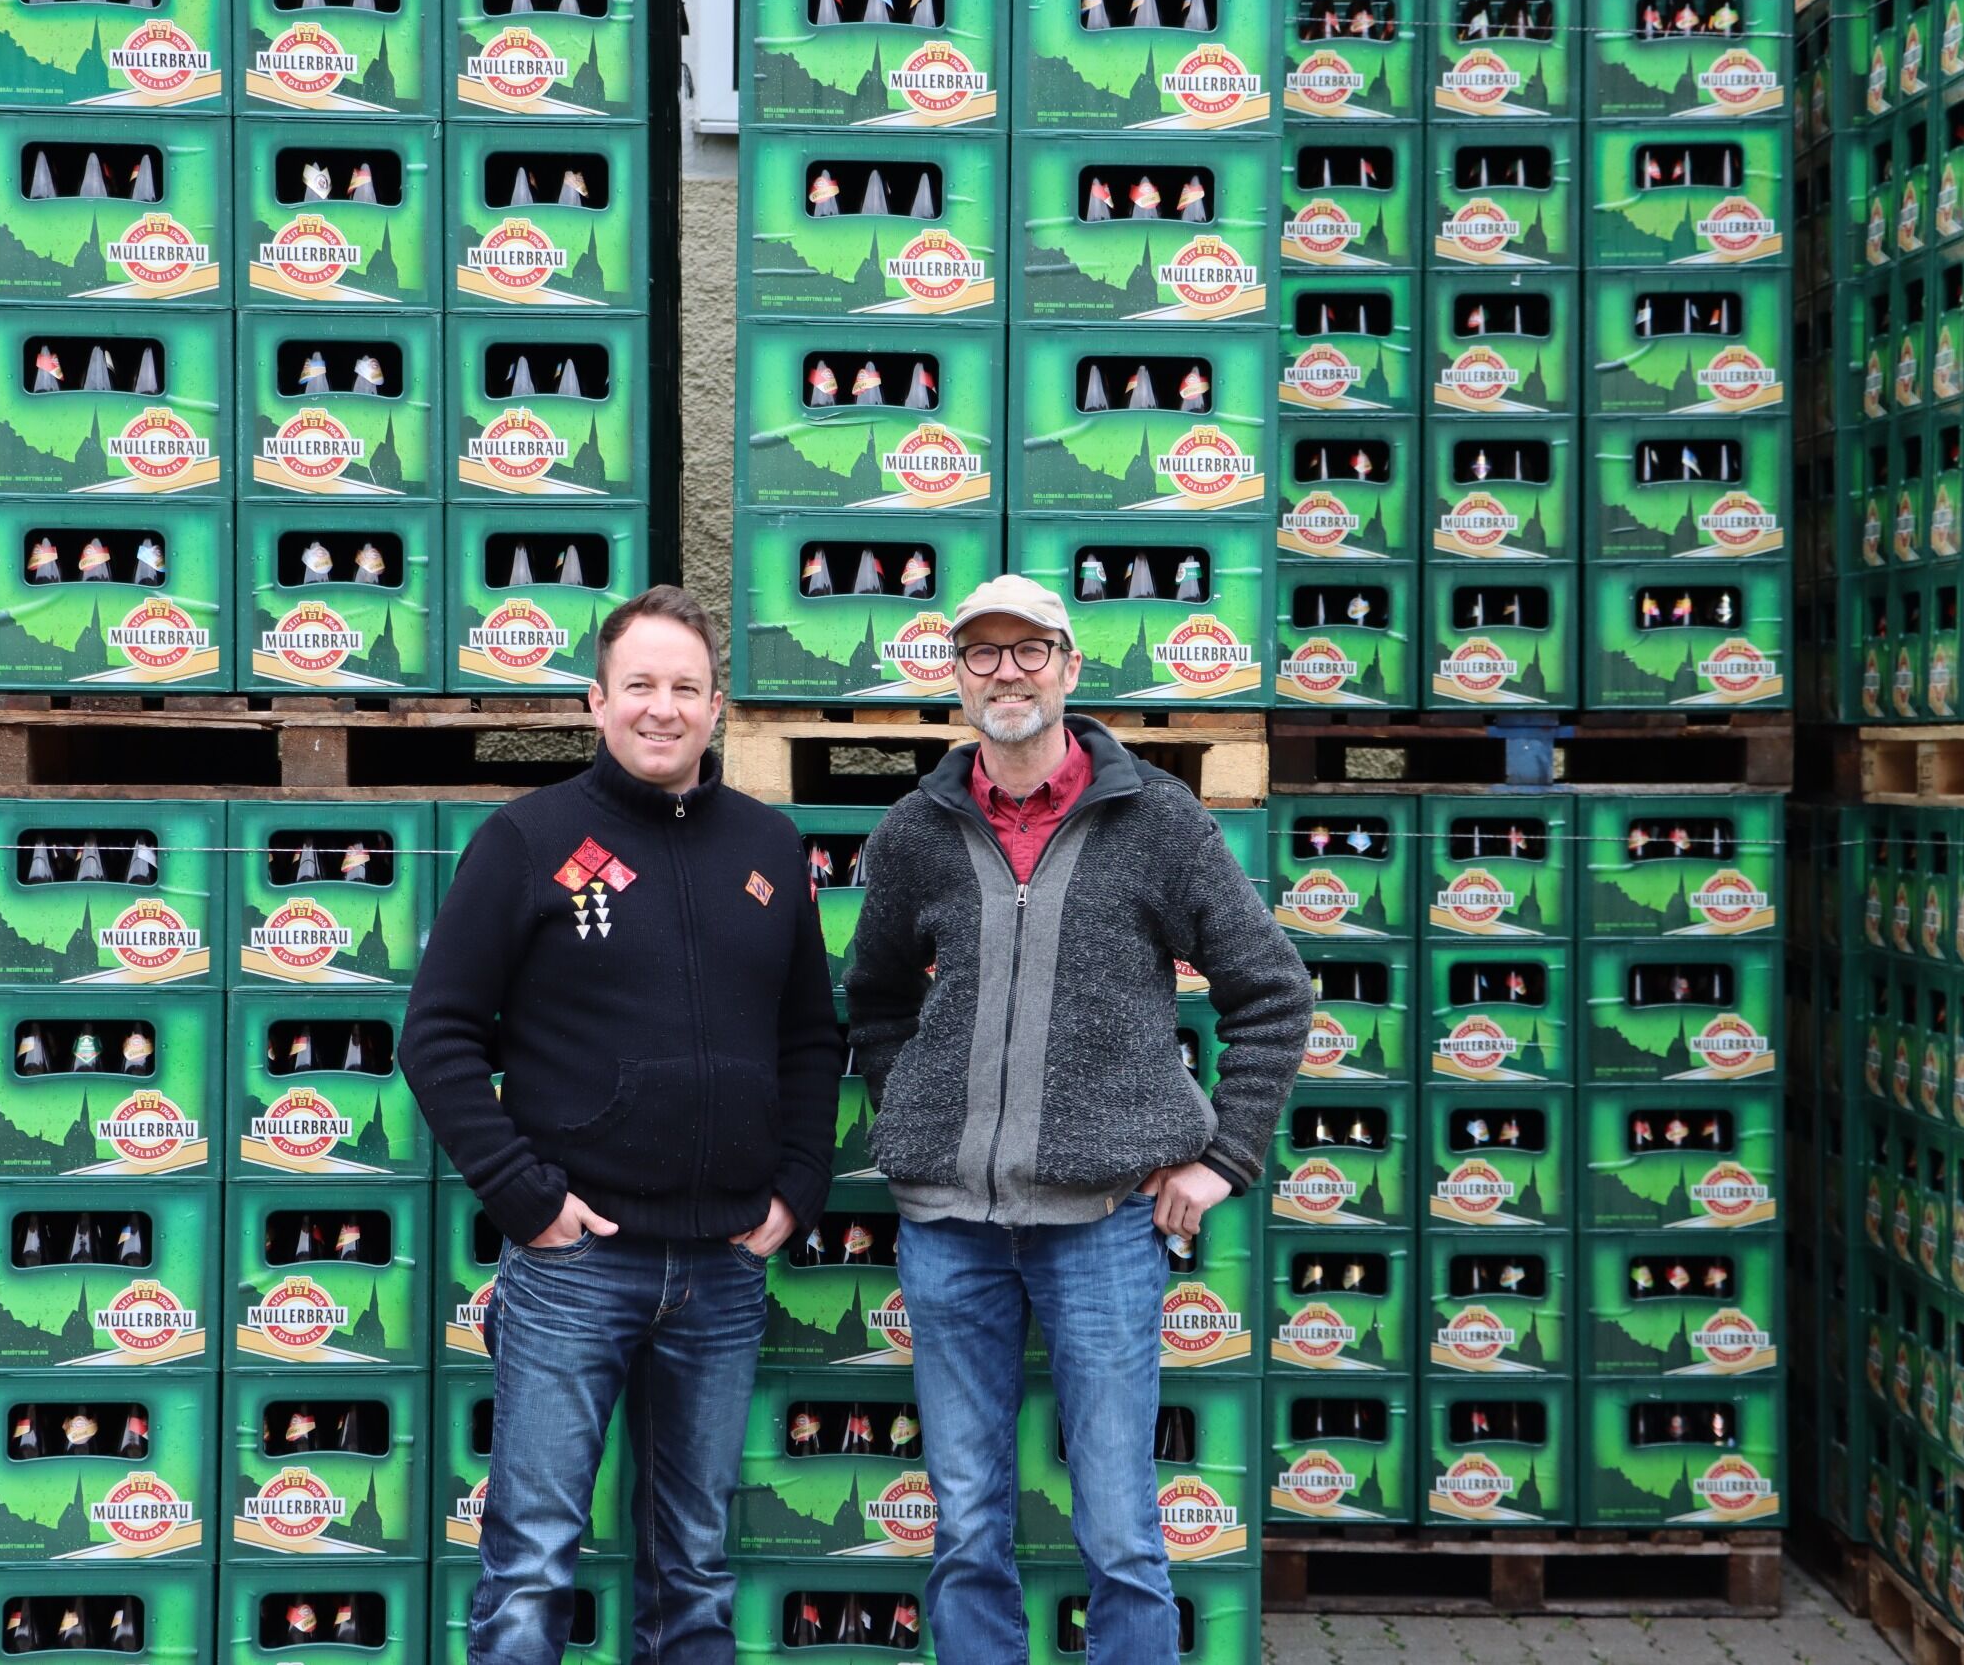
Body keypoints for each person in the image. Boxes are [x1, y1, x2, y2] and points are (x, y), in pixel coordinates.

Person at [842, 575, 1311, 1661]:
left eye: (1029, 650)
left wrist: (1224, 1158)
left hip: (1103, 1229)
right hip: (948, 1231)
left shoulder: (1158, 821)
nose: (1006, 672)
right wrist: (916, 1109)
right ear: (957, 678)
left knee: (1120, 1526)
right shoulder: (913, 832)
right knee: (965, 1524)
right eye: (982, 652)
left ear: (1069, 666)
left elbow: (1272, 992)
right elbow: (873, 998)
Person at [399, 585, 841, 1665]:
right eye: (638, 684)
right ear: (595, 702)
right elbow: (437, 1034)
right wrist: (527, 1199)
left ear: (717, 706)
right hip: (575, 1265)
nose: (662, 707)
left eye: (686, 687)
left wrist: (797, 1187)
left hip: (724, 1267)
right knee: (533, 1563)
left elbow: (808, 1038)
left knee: (694, 1567)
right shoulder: (527, 839)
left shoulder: (769, 846)